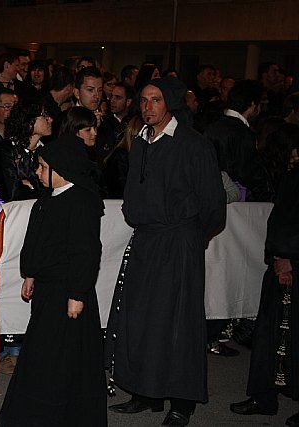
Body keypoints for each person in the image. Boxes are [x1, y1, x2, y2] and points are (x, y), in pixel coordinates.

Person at [105, 76, 226, 426]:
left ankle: (182, 403)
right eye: (143, 100)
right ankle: (145, 392)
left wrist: (189, 237)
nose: (148, 107)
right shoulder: (140, 142)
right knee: (142, 318)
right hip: (146, 240)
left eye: (155, 100)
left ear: (169, 103)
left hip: (179, 242)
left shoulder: (193, 144)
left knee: (178, 322)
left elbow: (214, 205)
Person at [0, 138, 106, 427]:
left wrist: (77, 293)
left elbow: (86, 251)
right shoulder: (47, 199)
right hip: (46, 289)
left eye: (44, 167)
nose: (38, 172)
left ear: (62, 169)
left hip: (68, 289)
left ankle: (64, 413)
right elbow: (34, 241)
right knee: (43, 353)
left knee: (64, 355)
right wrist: (29, 273)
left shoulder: (82, 200)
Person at [229, 163, 299, 427]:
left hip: (291, 258)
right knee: (270, 331)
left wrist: (285, 255)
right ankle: (264, 396)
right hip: (288, 256)